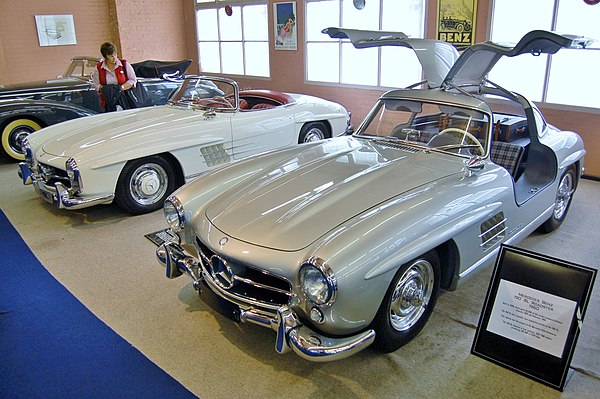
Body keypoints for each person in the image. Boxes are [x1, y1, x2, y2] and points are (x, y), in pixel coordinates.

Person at [92, 41, 137, 112]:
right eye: (111, 56)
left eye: (115, 55)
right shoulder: (99, 68)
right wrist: (108, 89)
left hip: (124, 99)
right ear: (105, 56)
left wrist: (121, 88)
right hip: (108, 101)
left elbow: (133, 80)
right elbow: (96, 85)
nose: (114, 58)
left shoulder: (124, 64)